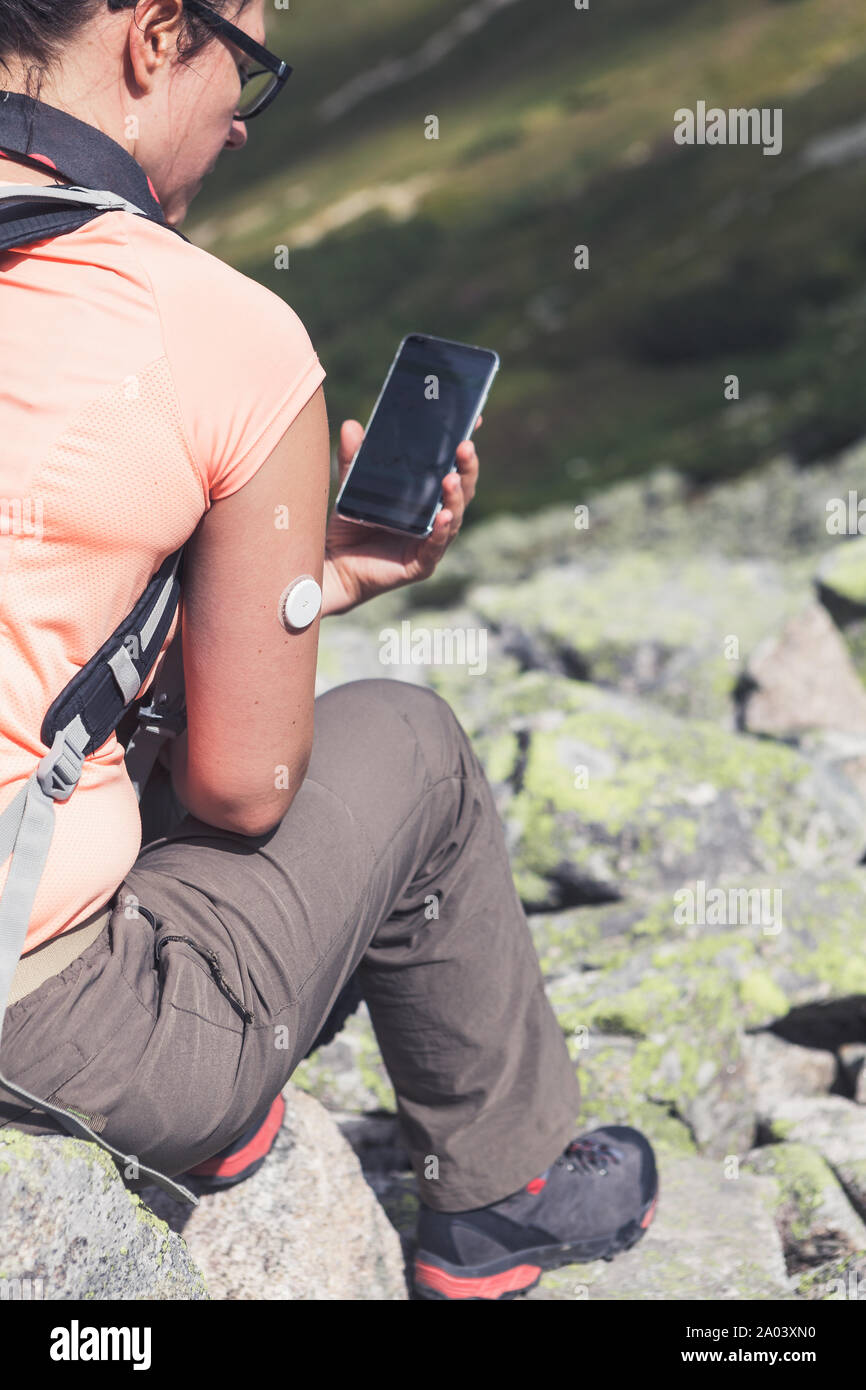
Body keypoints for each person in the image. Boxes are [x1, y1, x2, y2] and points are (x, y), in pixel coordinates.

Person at [0, 0, 658, 1301]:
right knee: (406, 741)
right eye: (248, 65)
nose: (244, 119)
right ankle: (501, 1191)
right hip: (42, 1014)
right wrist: (285, 602)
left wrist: (316, 576)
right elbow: (245, 782)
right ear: (149, 38)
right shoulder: (219, 331)